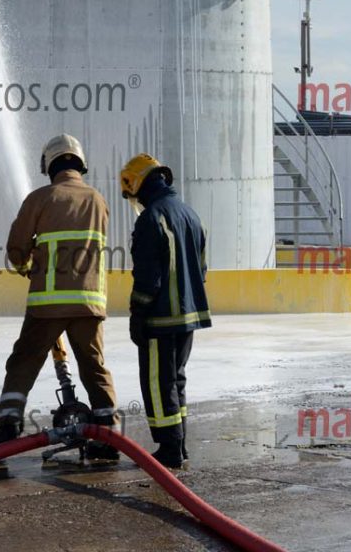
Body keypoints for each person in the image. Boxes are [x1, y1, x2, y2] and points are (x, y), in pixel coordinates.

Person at [0, 134, 119, 461]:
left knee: (24, 361)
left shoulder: (40, 198)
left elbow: (17, 249)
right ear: (80, 164)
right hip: (89, 304)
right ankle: (110, 434)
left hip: (47, 305)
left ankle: (8, 425)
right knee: (94, 368)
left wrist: (28, 264)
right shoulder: (98, 200)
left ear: (49, 165)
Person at [121, 153, 210, 469]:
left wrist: (138, 313)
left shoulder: (151, 218)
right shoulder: (190, 214)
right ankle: (180, 443)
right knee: (177, 380)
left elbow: (148, 275)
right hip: (188, 316)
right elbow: (202, 269)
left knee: (159, 384)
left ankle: (169, 447)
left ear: (139, 185)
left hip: (161, 317)